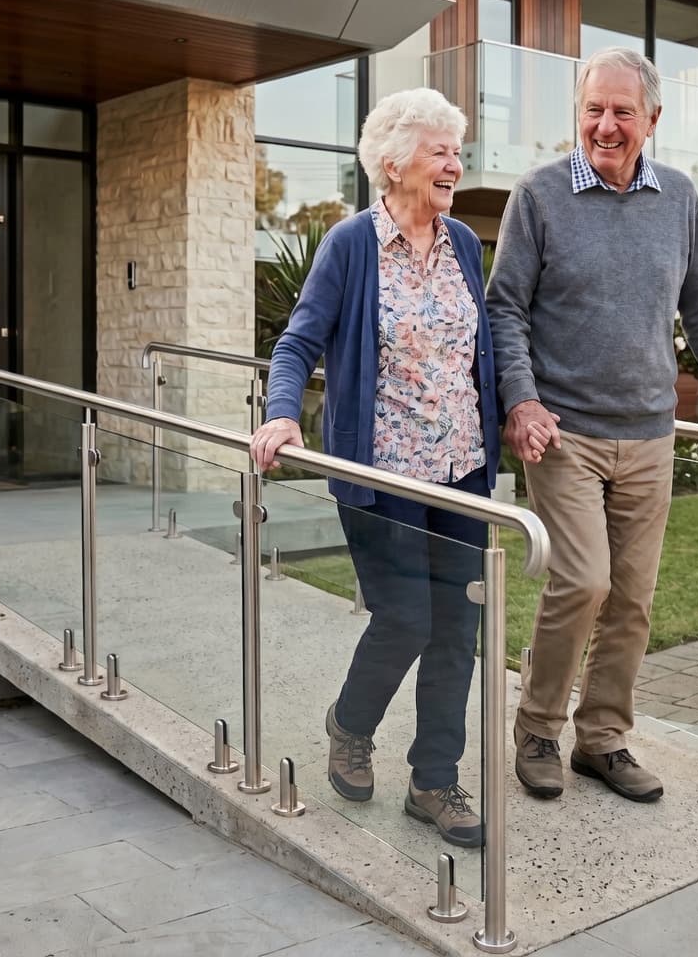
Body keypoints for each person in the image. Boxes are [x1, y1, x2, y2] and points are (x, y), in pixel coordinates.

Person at [486, 47, 698, 805]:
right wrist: (520, 401)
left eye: (623, 111)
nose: (606, 125)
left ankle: (603, 739)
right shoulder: (540, 195)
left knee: (632, 597)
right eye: (594, 109)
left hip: (651, 435)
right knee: (582, 581)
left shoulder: (678, 198)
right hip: (565, 432)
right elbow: (505, 308)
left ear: (652, 119)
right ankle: (536, 728)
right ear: (578, 115)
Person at [250, 87, 500, 847]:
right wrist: (282, 413)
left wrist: (517, 409)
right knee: (406, 617)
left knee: (459, 627)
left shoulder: (463, 244)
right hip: (384, 476)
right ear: (393, 164)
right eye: (440, 151)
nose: (455, 164)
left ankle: (434, 780)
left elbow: (479, 350)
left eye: (458, 151)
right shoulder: (351, 245)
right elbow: (298, 342)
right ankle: (350, 724)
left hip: (462, 470)